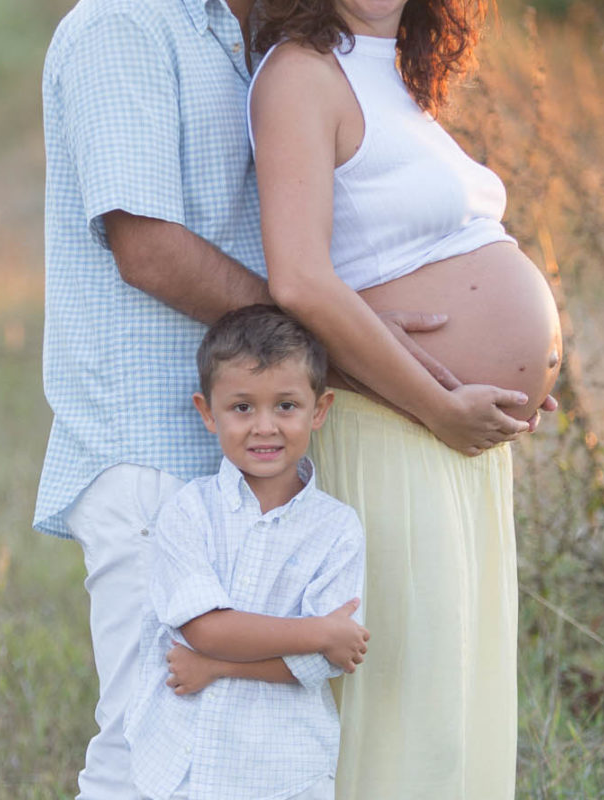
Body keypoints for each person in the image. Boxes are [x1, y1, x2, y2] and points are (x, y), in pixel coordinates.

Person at [36, 1, 501, 798]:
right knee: (147, 746)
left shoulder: (244, 29)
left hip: (246, 457)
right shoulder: (123, 25)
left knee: (247, 748)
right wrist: (338, 350)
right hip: (154, 446)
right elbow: (147, 249)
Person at [248, 1, 564, 797]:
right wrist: (436, 398)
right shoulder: (300, 74)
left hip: (452, 441)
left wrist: (519, 374)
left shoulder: (399, 76)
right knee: (403, 720)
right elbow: (298, 277)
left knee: (457, 711)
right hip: (392, 432)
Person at [126, 304, 367, 800]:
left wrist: (217, 667)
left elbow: (325, 662)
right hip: (188, 763)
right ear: (207, 413)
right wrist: (317, 631)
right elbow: (205, 629)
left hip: (285, 768)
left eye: (285, 406)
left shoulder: (337, 529)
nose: (264, 426)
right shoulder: (188, 512)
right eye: (242, 407)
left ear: (318, 410)